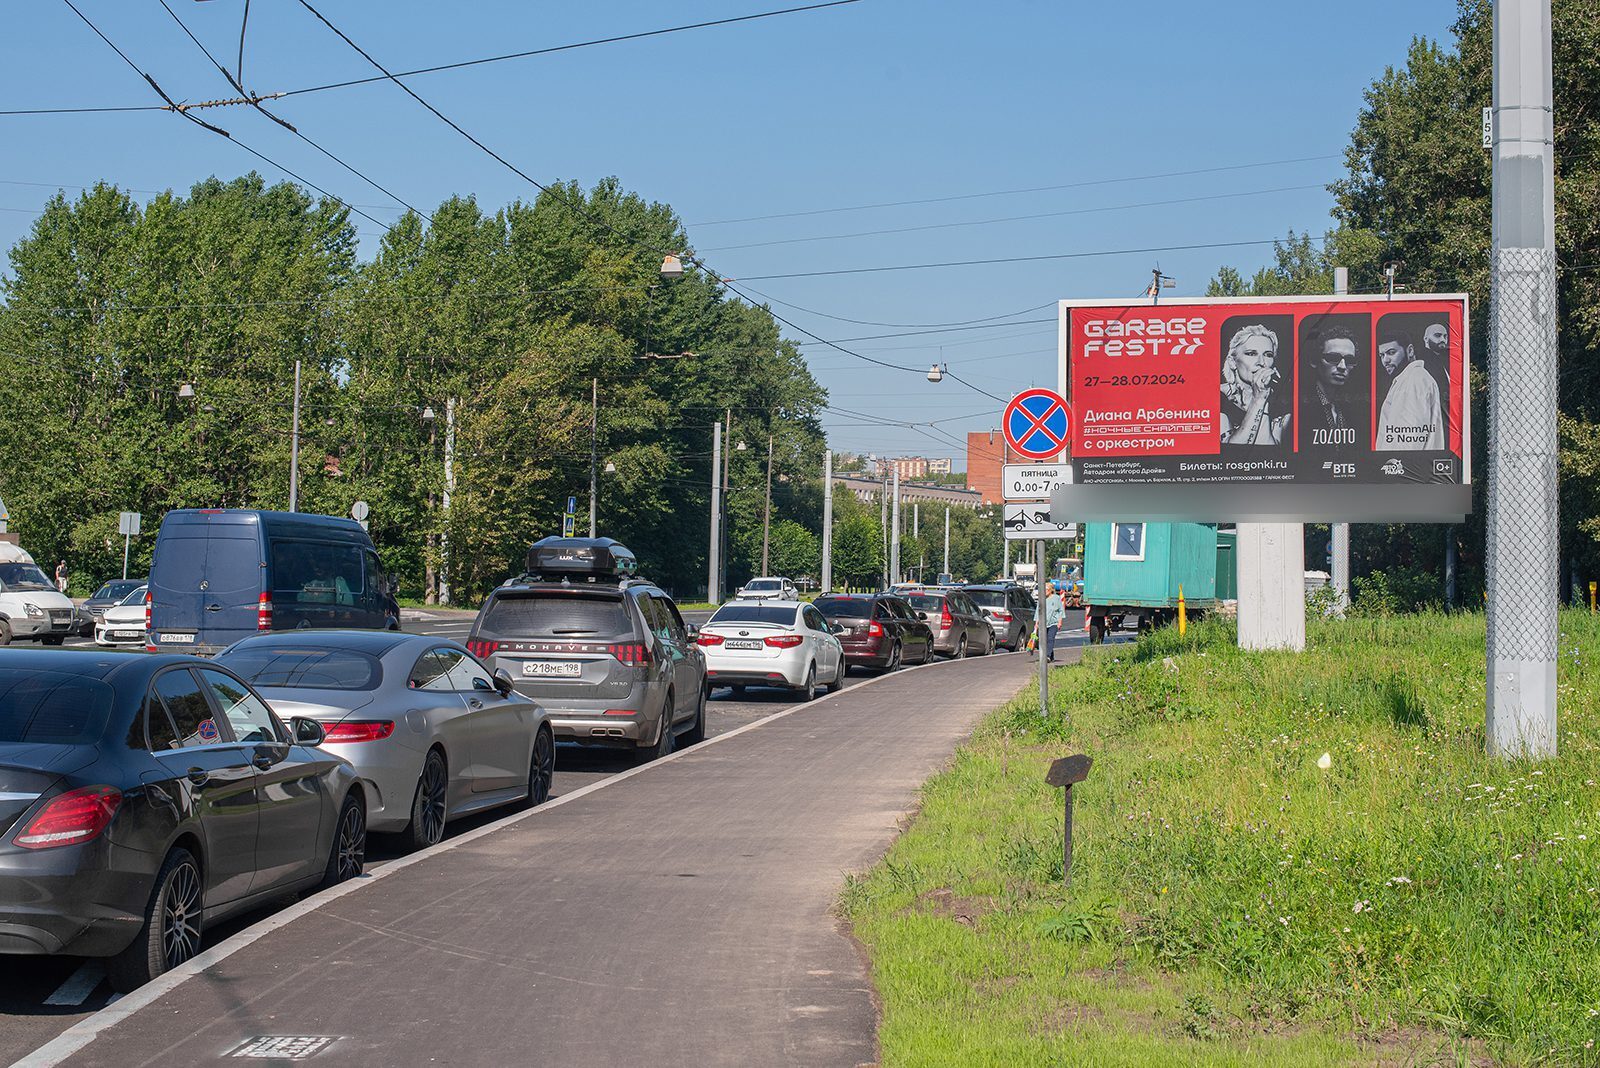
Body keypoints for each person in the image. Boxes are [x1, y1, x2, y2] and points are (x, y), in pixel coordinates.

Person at [1376, 321, 1443, 450]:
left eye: (1391, 352)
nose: (1385, 360)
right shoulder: (1409, 379)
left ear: (1410, 351)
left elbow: (1409, 440)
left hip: (1404, 467)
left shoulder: (1414, 379)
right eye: (1382, 355)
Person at [1220, 324, 1290, 446]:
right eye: (1251, 353)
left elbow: (1267, 451)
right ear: (1232, 362)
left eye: (1268, 355)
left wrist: (1262, 397)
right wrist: (1258, 400)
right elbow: (1232, 452)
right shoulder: (1217, 398)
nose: (1262, 363)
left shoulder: (1283, 405)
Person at [1302, 322, 1361, 446]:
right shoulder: (1299, 409)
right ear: (1314, 361)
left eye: (1350, 360)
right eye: (1333, 358)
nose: (1342, 367)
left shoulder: (1354, 412)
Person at [1042, 582, 1066, 664]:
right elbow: (1038, 611)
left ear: (1051, 590)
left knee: (1050, 638)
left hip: (1053, 623)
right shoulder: (1042, 599)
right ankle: (1051, 656)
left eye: (1046, 589)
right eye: (1043, 589)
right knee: (1044, 640)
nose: (1044, 591)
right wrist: (1036, 623)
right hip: (1043, 623)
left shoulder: (1056, 598)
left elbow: (1060, 611)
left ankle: (1048, 656)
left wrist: (1060, 622)